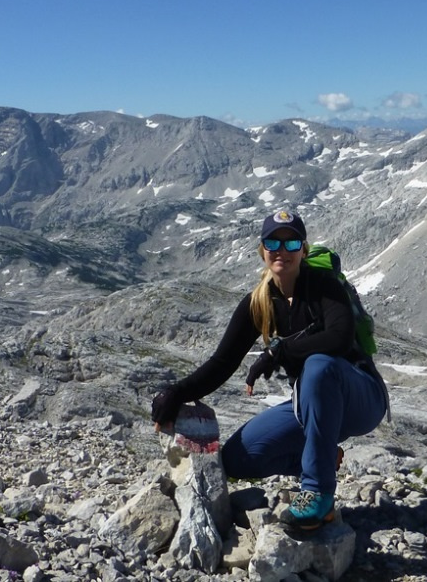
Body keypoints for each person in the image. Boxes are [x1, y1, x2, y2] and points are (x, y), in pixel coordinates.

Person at [151, 207, 389, 529]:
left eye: (291, 244)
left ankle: (318, 494)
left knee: (318, 366)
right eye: (273, 243)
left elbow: (339, 339)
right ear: (262, 250)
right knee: (236, 459)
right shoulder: (258, 302)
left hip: (361, 398)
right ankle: (321, 458)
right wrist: (177, 393)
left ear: (303, 250)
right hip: (308, 406)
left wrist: (279, 351)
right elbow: (223, 362)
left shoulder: (323, 287)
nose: (282, 251)